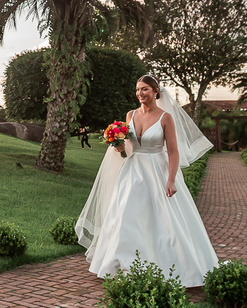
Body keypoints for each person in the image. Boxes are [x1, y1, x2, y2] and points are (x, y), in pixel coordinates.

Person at [74, 75, 217, 287]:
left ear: (156, 91)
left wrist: (171, 180)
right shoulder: (130, 115)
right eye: (138, 89)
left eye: (145, 89)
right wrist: (119, 146)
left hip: (157, 171)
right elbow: (129, 146)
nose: (141, 93)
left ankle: (171, 264)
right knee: (125, 215)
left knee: (163, 218)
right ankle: (122, 264)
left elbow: (174, 152)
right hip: (132, 170)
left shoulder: (166, 117)